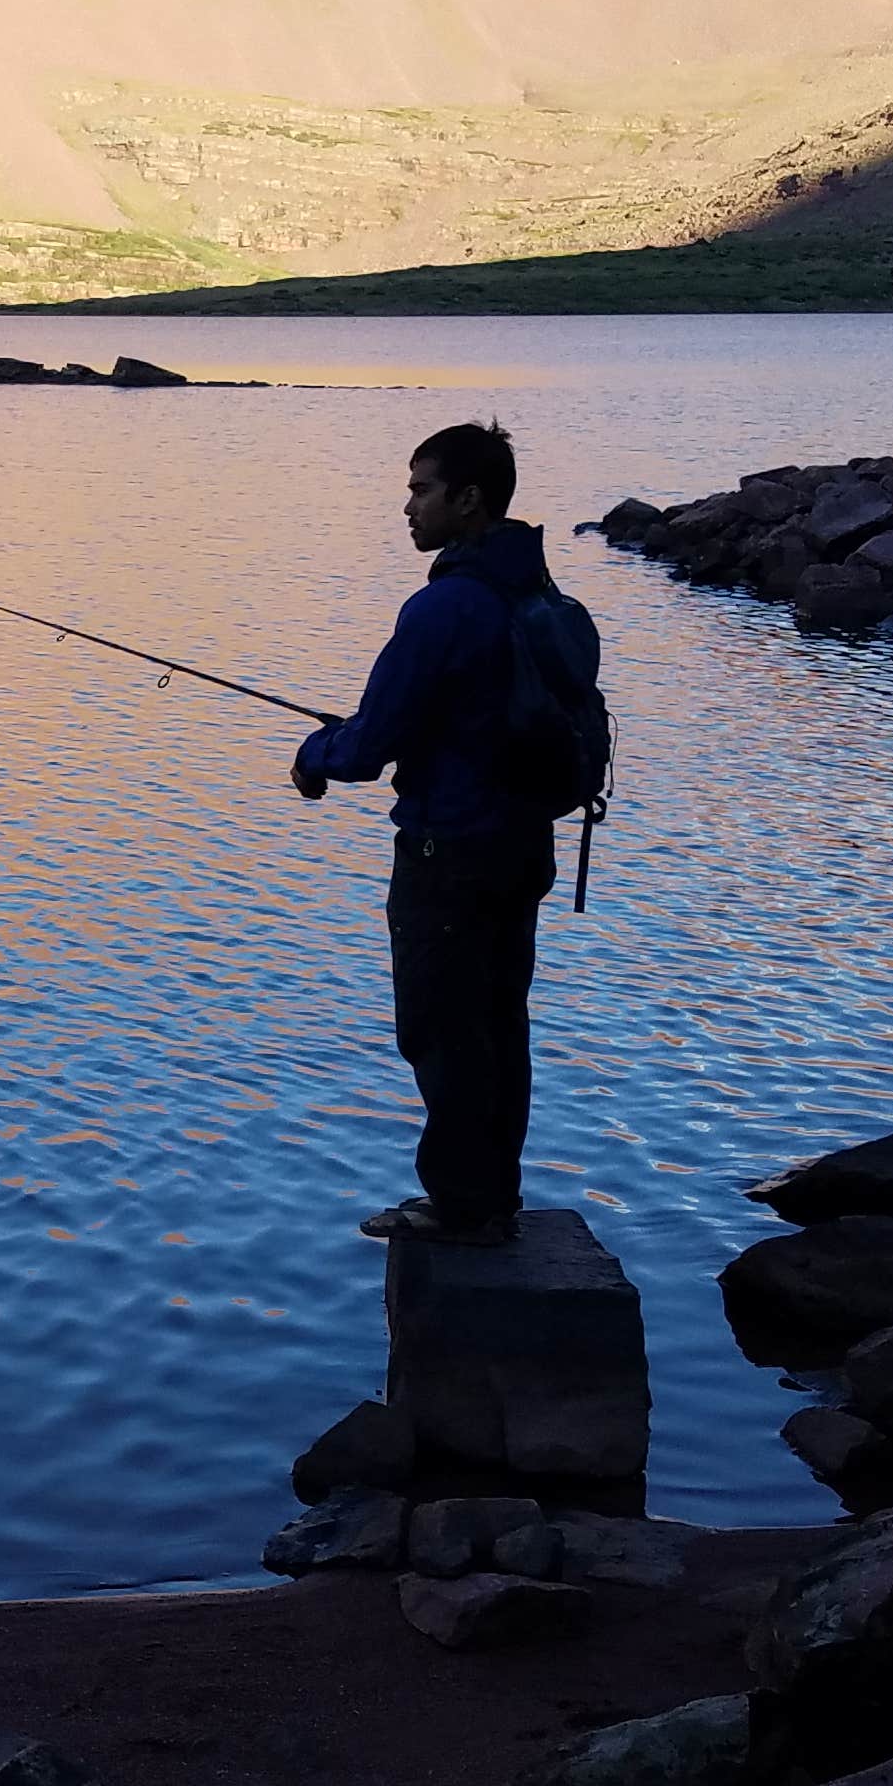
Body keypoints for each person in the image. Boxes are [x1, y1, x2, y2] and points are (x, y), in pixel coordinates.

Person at [292, 419, 558, 1248]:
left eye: (420, 489)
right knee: (498, 1024)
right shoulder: (535, 593)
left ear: (467, 500)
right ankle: (492, 1196)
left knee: (441, 1031)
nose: (408, 506)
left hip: (449, 854)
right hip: (524, 847)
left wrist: (313, 752)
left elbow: (370, 747)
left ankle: (458, 1207)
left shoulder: (443, 607)